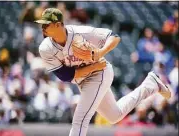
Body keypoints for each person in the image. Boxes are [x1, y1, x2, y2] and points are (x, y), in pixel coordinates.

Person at [35, 8, 171, 136]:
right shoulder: (45, 48)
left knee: (80, 119)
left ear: (58, 24)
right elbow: (66, 76)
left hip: (100, 74)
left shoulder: (81, 33)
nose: (43, 28)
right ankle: (150, 85)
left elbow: (114, 36)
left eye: (46, 25)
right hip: (86, 76)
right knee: (114, 115)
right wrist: (93, 66)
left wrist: (101, 52)